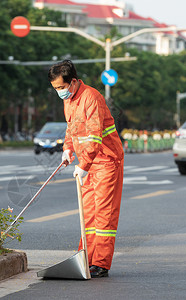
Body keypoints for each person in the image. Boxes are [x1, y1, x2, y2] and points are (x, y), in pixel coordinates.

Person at [48, 60, 124, 278]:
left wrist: (84, 165)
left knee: (104, 213)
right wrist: (68, 149)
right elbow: (72, 127)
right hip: (87, 161)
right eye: (56, 89)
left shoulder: (91, 97)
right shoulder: (70, 100)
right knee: (88, 212)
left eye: (61, 88)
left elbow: (93, 136)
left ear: (73, 82)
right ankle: (86, 257)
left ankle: (101, 263)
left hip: (107, 161)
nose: (59, 93)